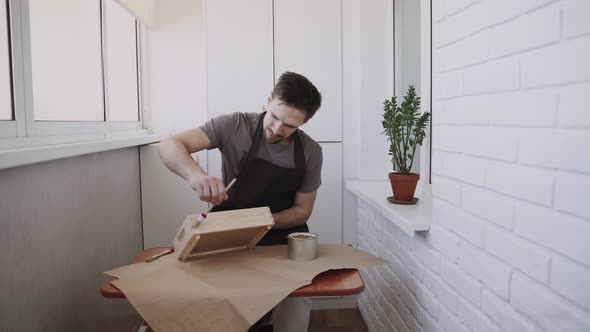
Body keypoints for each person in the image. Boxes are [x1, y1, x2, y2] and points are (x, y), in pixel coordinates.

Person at [157, 71, 323, 331]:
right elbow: (169, 144)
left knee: (295, 300)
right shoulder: (234, 125)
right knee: (220, 302)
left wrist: (257, 222)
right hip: (228, 233)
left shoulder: (311, 152)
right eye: (276, 117)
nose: (278, 130)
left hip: (280, 234)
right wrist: (196, 176)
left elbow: (302, 211)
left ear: (305, 122)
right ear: (269, 100)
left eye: (290, 125)